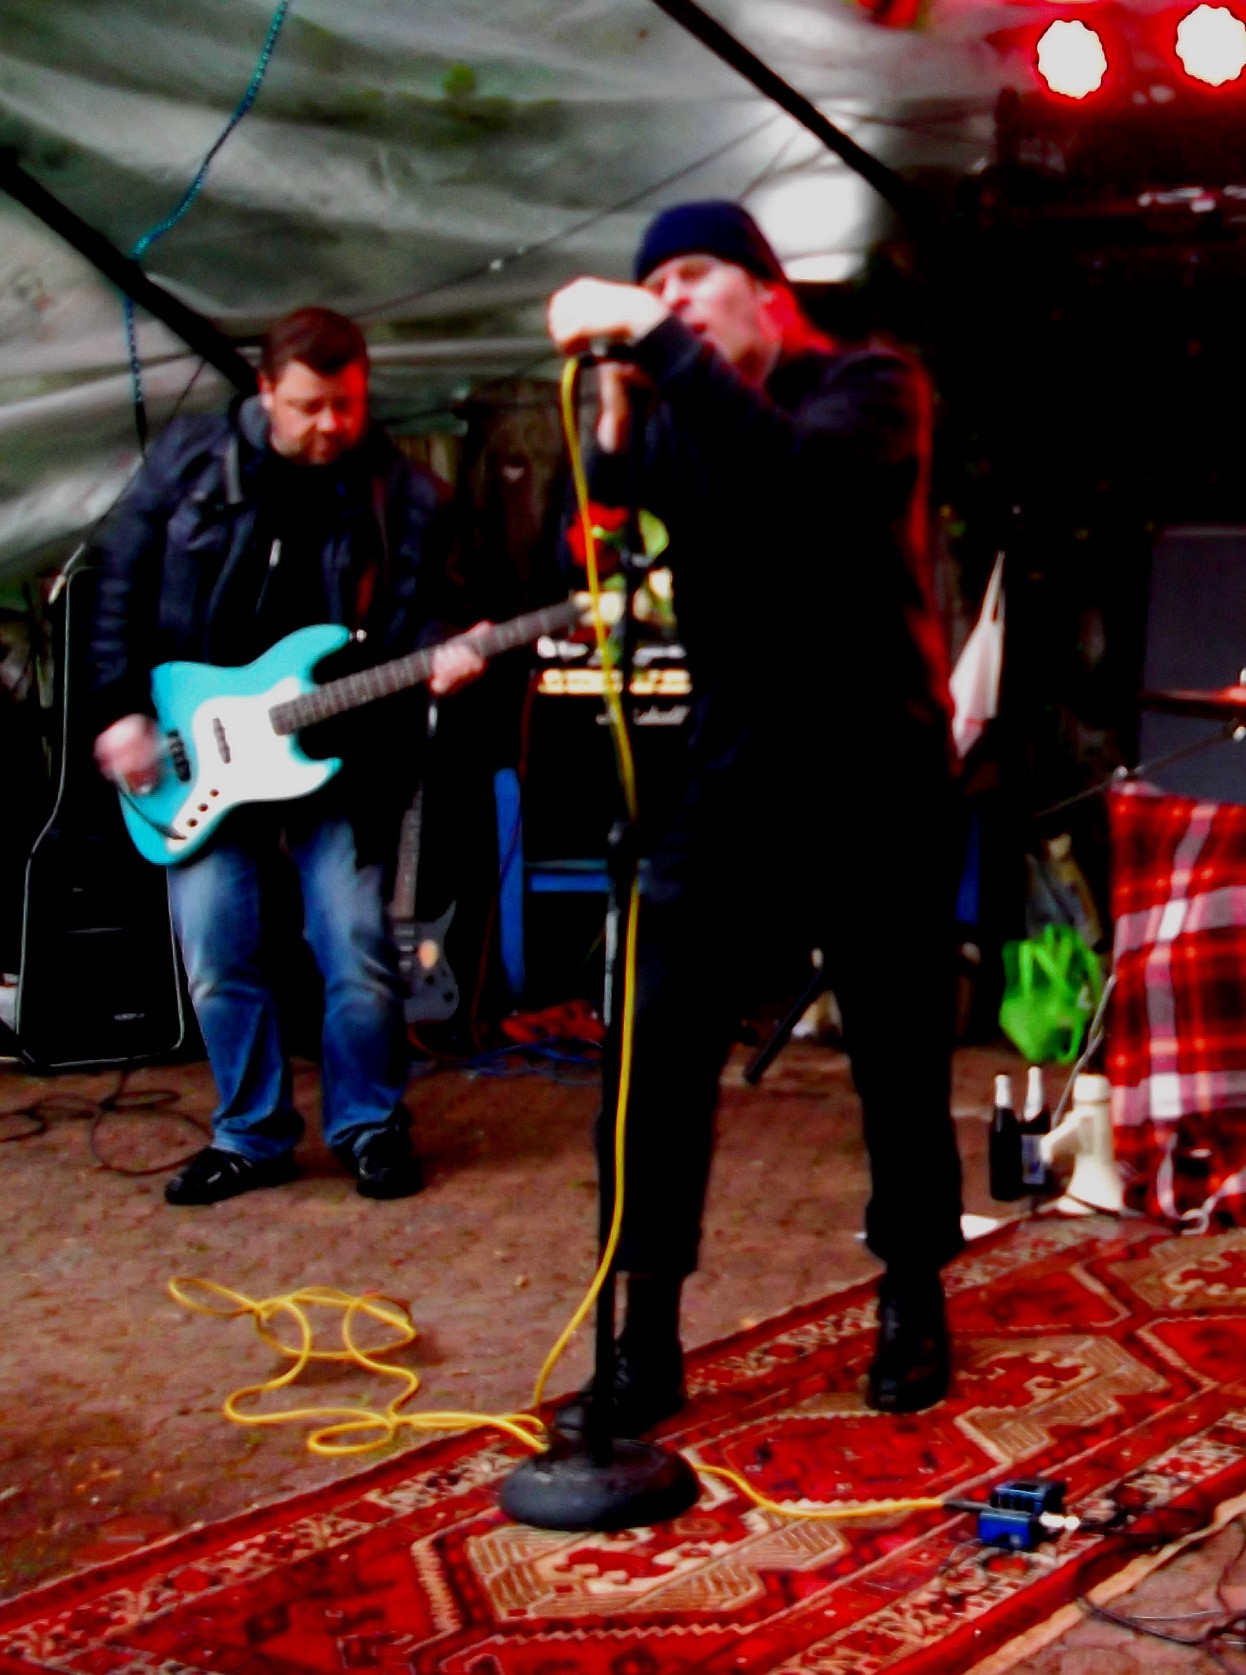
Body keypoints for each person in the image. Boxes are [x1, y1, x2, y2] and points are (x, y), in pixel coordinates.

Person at [545, 201, 964, 1425]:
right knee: (654, 1051)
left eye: (693, 275)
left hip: (877, 770)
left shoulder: (871, 385)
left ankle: (912, 1292)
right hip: (731, 775)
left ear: (768, 292)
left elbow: (802, 483)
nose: (669, 298)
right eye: (655, 283)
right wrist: (615, 406)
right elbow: (600, 523)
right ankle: (643, 1333)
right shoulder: (680, 411)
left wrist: (655, 344)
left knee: (896, 1048)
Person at [88, 307, 485, 1206]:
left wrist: (448, 651)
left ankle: (369, 1123)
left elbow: (428, 606)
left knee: (354, 945)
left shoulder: (401, 492)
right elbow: (118, 580)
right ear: (266, 390)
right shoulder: (191, 462)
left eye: (347, 404)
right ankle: (251, 1135)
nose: (331, 424)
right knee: (217, 950)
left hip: (340, 753)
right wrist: (117, 711)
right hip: (198, 748)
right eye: (309, 405)